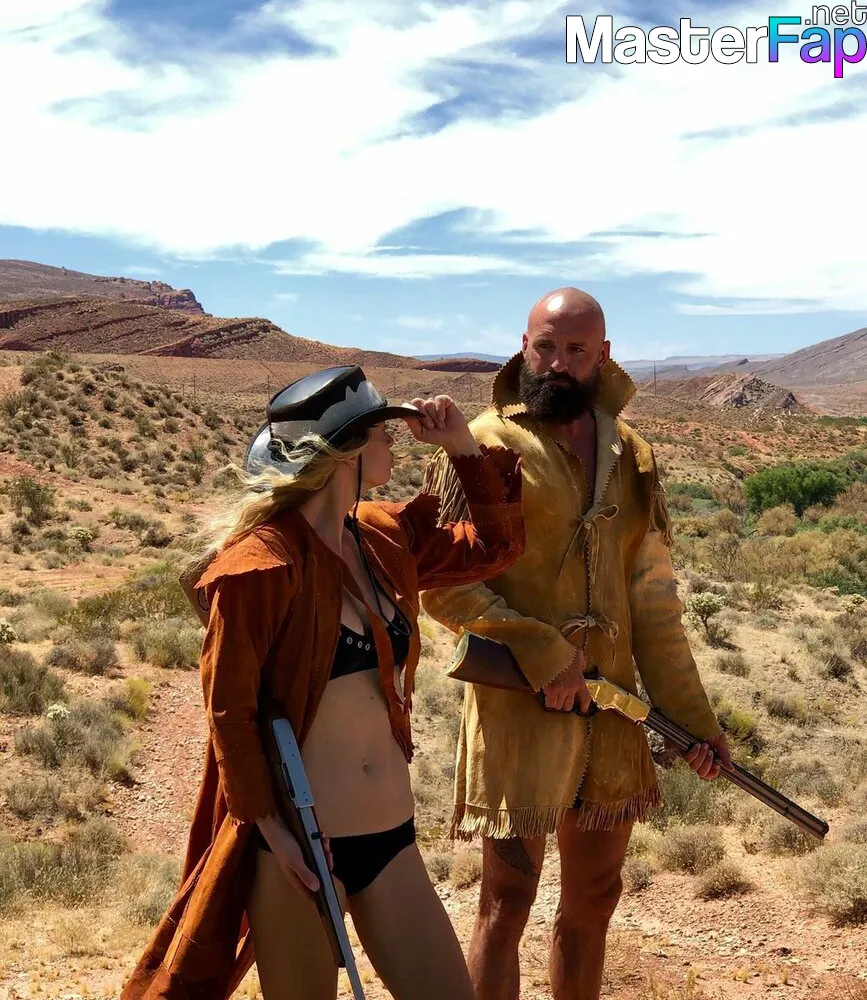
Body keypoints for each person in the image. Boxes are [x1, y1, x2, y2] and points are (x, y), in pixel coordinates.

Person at [121, 364, 525, 1000]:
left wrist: (463, 450)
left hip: (392, 840)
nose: (393, 437)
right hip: (302, 850)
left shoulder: (382, 537)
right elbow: (229, 711)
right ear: (346, 450)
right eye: (380, 428)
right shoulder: (260, 565)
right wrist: (273, 832)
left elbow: (494, 547)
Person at [420, 288, 731, 1000]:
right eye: (545, 347)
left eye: (575, 351)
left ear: (603, 355)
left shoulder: (631, 453)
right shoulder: (484, 445)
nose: (557, 364)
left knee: (593, 901)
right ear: (523, 346)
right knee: (505, 904)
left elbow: (653, 603)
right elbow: (443, 586)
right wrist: (542, 650)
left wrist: (694, 721)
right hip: (518, 707)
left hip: (613, 715)